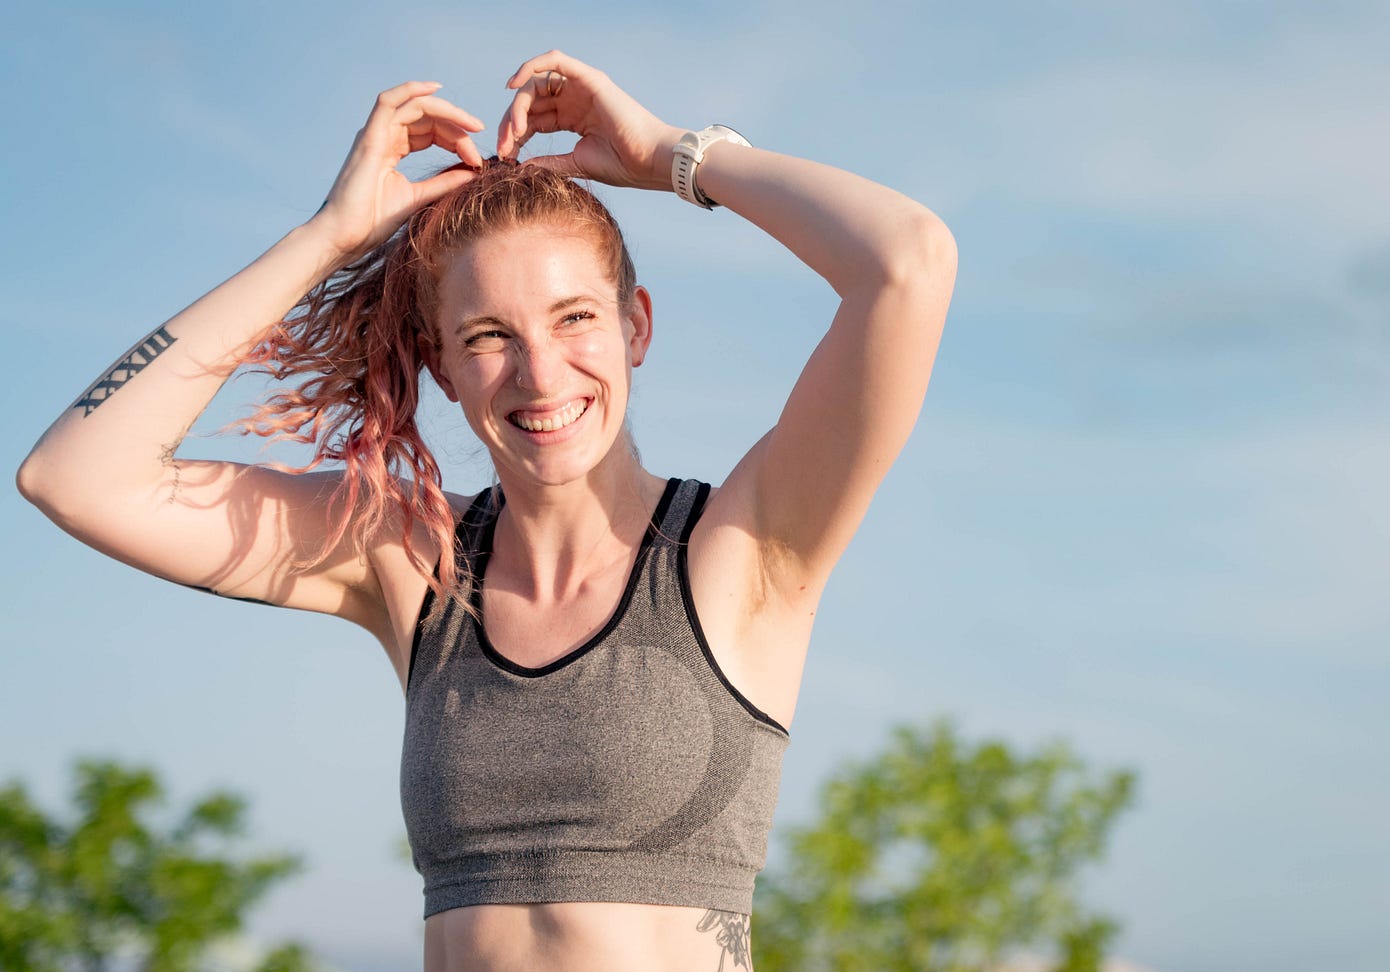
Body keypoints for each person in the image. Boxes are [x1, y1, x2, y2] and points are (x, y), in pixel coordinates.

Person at [17, 50, 956, 972]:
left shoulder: (744, 547)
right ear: (442, 364)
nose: (540, 373)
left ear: (637, 328)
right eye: (489, 335)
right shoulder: (407, 559)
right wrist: (330, 235)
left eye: (575, 317)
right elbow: (76, 476)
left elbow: (908, 263)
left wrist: (675, 155)